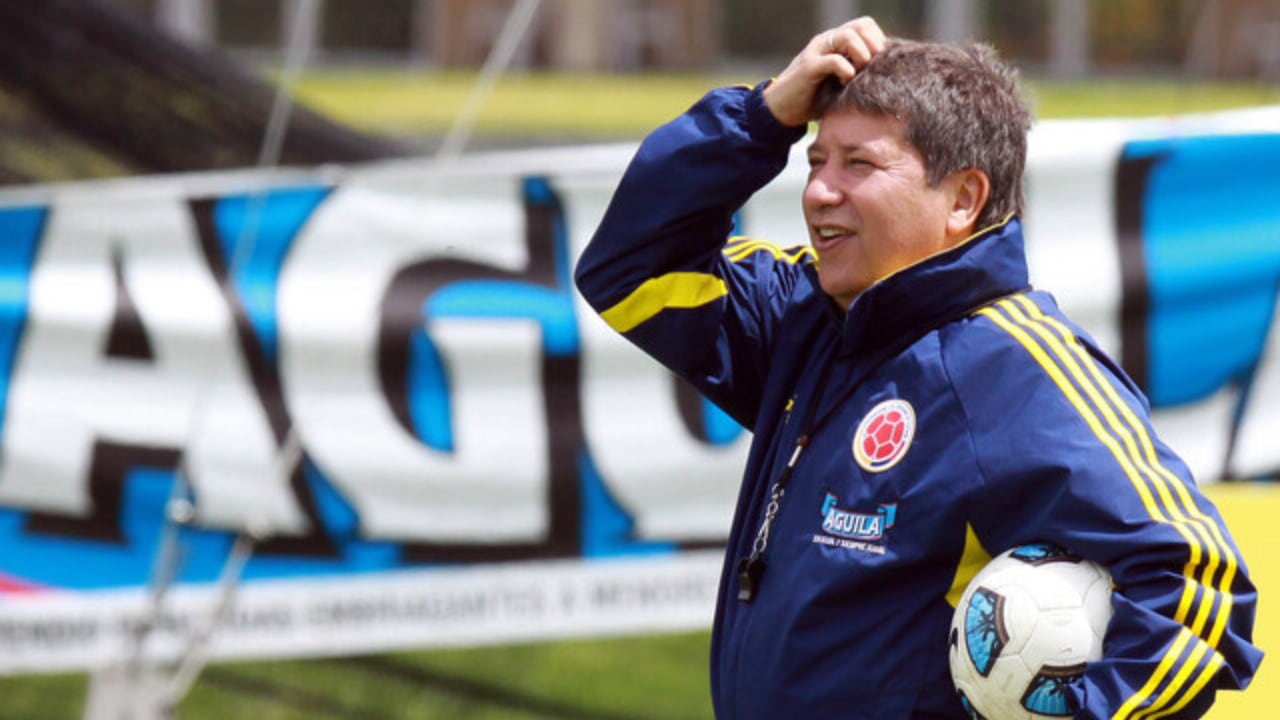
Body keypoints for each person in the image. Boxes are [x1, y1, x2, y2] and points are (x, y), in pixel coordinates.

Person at [574, 16, 1262, 720]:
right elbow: (629, 267)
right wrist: (762, 117)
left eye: (859, 164)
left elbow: (1199, 593)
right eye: (816, 161)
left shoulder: (1016, 369)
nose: (819, 192)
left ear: (962, 199)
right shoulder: (800, 315)